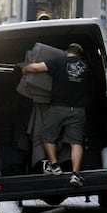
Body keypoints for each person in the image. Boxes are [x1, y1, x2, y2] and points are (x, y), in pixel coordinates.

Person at [22, 43, 92, 187]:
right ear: (80, 54)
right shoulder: (86, 66)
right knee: (76, 142)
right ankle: (75, 175)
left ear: (67, 52)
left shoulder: (59, 61)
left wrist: (26, 69)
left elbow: (36, 68)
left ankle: (54, 166)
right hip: (78, 110)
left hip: (58, 107)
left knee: (47, 135)